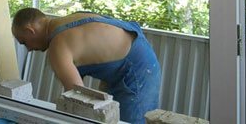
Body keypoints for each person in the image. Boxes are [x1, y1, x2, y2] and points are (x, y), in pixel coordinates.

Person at [12, 8, 161, 124]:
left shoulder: (58, 46)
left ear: (30, 30)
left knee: (130, 121)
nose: (28, 49)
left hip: (138, 68)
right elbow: (78, 93)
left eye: (24, 42)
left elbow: (80, 102)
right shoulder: (66, 21)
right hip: (127, 59)